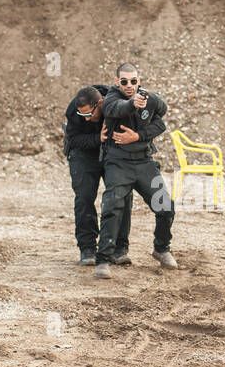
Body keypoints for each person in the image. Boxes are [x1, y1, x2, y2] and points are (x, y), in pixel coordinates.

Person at [94, 63, 176, 278]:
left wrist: (138, 136)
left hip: (144, 162)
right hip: (117, 163)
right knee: (112, 207)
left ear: (139, 81)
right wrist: (133, 103)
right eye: (124, 81)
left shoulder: (149, 98)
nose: (129, 85)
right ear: (116, 82)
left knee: (166, 206)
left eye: (133, 81)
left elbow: (161, 123)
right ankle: (103, 259)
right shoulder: (111, 99)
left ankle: (161, 249)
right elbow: (116, 109)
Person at [64, 84, 131, 267]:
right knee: (84, 197)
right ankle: (87, 248)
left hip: (113, 152)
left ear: (100, 104)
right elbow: (74, 139)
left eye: (89, 114)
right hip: (83, 153)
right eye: (81, 115)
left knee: (122, 196)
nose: (85, 119)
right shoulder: (75, 111)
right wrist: (97, 139)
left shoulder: (117, 103)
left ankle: (119, 248)